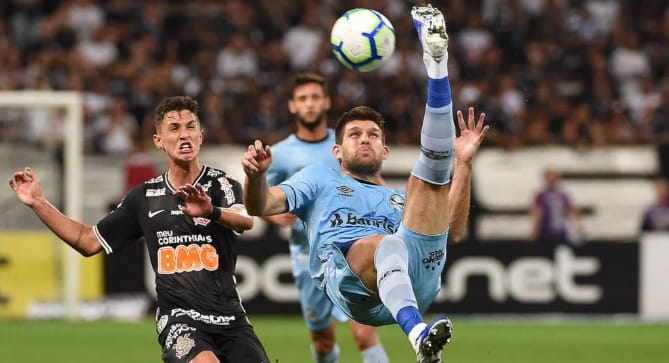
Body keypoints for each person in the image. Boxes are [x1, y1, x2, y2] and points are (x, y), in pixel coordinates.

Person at [242, 5, 489, 362]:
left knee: (431, 175)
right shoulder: (319, 177)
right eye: (355, 134)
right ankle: (419, 336)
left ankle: (437, 67)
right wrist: (256, 177)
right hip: (351, 283)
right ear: (337, 150)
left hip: (414, 281)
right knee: (381, 246)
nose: (365, 139)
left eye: (373, 135)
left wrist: (463, 165)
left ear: (385, 150)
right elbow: (260, 205)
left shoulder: (397, 199)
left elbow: (452, 231)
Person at [8, 96, 270, 363]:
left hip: (231, 318)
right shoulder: (144, 197)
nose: (184, 135)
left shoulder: (222, 183)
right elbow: (87, 241)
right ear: (158, 141)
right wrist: (38, 203)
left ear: (201, 136)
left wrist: (210, 211)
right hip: (179, 320)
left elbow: (245, 219)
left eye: (191, 127)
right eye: (174, 129)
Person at [265, 72, 389, 363]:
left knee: (365, 333)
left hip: (352, 252)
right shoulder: (280, 154)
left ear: (326, 103)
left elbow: (371, 181)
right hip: (308, 259)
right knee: (322, 343)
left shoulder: (346, 144)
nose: (309, 104)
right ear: (292, 106)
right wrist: (274, 218)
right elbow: (261, 201)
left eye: (315, 98)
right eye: (303, 99)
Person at [529, 168, 584, 245]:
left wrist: (578, 226)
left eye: (554, 179)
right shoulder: (541, 195)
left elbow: (573, 210)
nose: (551, 181)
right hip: (545, 231)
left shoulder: (563, 195)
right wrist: (535, 229)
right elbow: (537, 212)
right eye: (549, 178)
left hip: (561, 231)